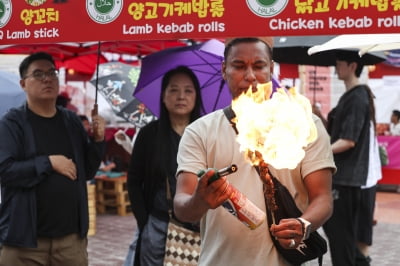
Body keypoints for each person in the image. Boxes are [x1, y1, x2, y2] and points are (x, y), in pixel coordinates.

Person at [173, 37, 336, 266]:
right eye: (239, 66)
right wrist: (199, 200)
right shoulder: (200, 131)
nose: (249, 75)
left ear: (271, 69)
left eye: (258, 66)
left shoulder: (304, 124)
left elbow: (323, 198)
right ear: (224, 70)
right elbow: (182, 206)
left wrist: (304, 224)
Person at [0, 52, 106, 266]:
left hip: (70, 243)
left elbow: (86, 171)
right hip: (24, 243)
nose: (47, 79)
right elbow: (5, 171)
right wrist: (49, 163)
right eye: (38, 74)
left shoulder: (71, 121)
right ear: (23, 84)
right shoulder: (12, 123)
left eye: (52, 73)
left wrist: (98, 141)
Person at [126, 65, 204, 266]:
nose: (181, 96)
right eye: (173, 90)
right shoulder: (149, 135)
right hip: (159, 226)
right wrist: (144, 223)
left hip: (200, 229)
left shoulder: (206, 134)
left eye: (188, 90)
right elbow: (134, 181)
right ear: (163, 96)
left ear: (196, 96)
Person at [322, 50, 375, 266]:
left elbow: (348, 140)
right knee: (340, 239)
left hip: (347, 180)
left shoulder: (358, 96)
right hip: (343, 178)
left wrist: (320, 152)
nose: (336, 66)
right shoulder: (351, 96)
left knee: (341, 238)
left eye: (340, 62)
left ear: (352, 66)